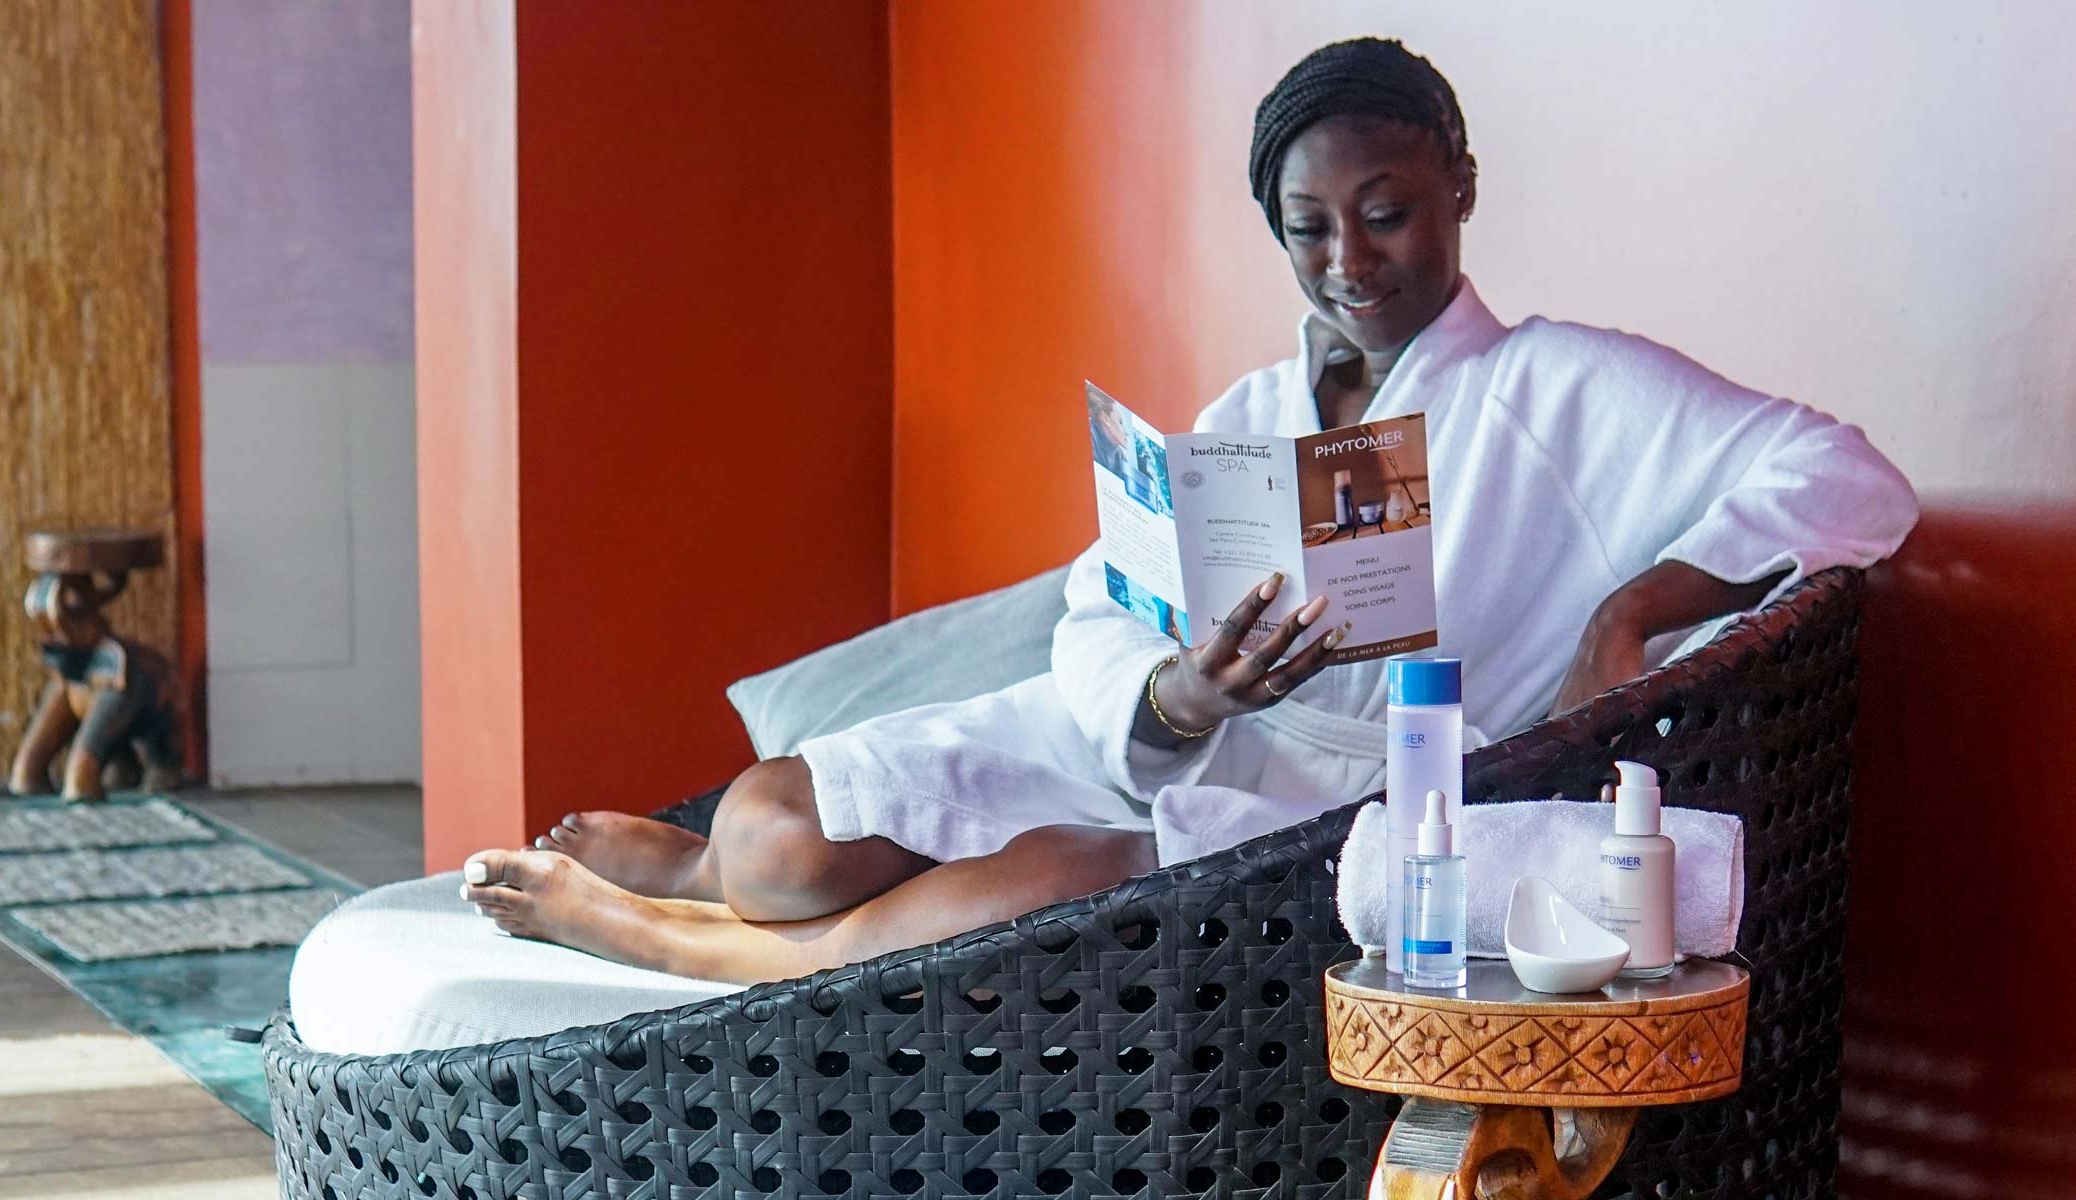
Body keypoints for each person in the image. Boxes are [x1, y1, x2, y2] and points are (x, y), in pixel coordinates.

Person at [457, 39, 1917, 986]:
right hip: (1156, 737)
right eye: (1308, 226)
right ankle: (725, 874)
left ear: (1460, 190)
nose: (1350, 259)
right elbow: (1103, 610)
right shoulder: (1242, 421)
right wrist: (1176, 688)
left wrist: (1632, 611)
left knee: (1034, 896)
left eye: (1389, 208)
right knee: (779, 821)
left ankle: (663, 931)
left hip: (1344, 788)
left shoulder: (1568, 388)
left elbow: (1855, 484)